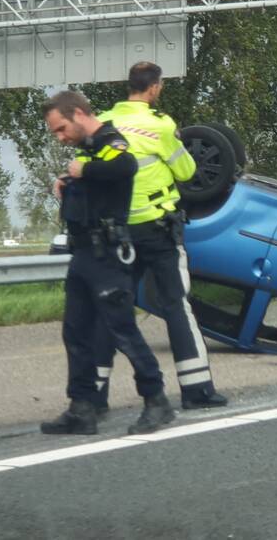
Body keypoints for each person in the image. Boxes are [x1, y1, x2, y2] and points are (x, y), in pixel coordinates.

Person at [92, 61, 228, 412]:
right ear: (154, 88)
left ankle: (91, 394)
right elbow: (188, 169)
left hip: (116, 233)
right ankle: (197, 389)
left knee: (111, 309)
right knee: (176, 307)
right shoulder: (160, 126)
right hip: (157, 231)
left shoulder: (104, 122)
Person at [40, 90, 175, 435]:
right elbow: (95, 183)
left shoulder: (112, 141)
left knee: (123, 331)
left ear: (80, 115)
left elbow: (124, 166)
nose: (60, 137)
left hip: (107, 255)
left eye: (61, 129)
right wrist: (70, 179)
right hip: (83, 254)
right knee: (75, 332)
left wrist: (82, 169)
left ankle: (156, 401)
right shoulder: (89, 150)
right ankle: (82, 408)